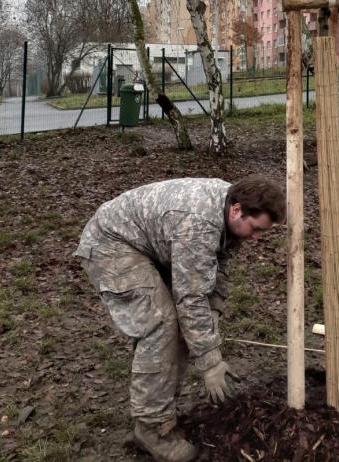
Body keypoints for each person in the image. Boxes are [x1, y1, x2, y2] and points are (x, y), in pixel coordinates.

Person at [74, 176, 285, 462]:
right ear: (237, 210)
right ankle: (152, 430)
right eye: (256, 229)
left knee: (186, 326)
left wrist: (212, 313)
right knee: (162, 325)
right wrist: (210, 362)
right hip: (110, 245)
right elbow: (190, 297)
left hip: (147, 243)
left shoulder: (228, 209)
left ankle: (159, 413)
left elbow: (217, 266)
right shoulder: (197, 224)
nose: (256, 238)